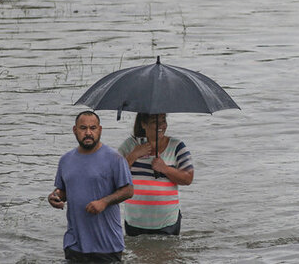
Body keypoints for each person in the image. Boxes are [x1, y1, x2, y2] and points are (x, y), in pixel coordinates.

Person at [48, 111, 134, 263]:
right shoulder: (65, 160)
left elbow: (128, 190)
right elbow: (63, 191)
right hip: (74, 243)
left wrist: (104, 202)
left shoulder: (115, 158)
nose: (88, 133)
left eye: (92, 128)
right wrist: (54, 197)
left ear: (99, 130)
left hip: (107, 244)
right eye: (83, 128)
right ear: (75, 130)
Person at [118, 113, 194, 236]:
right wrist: (134, 155)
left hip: (167, 222)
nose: (161, 126)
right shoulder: (129, 145)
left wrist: (165, 169)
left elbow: (188, 178)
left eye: (163, 121)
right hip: (135, 220)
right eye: (155, 121)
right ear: (143, 124)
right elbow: (115, 176)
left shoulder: (177, 146)